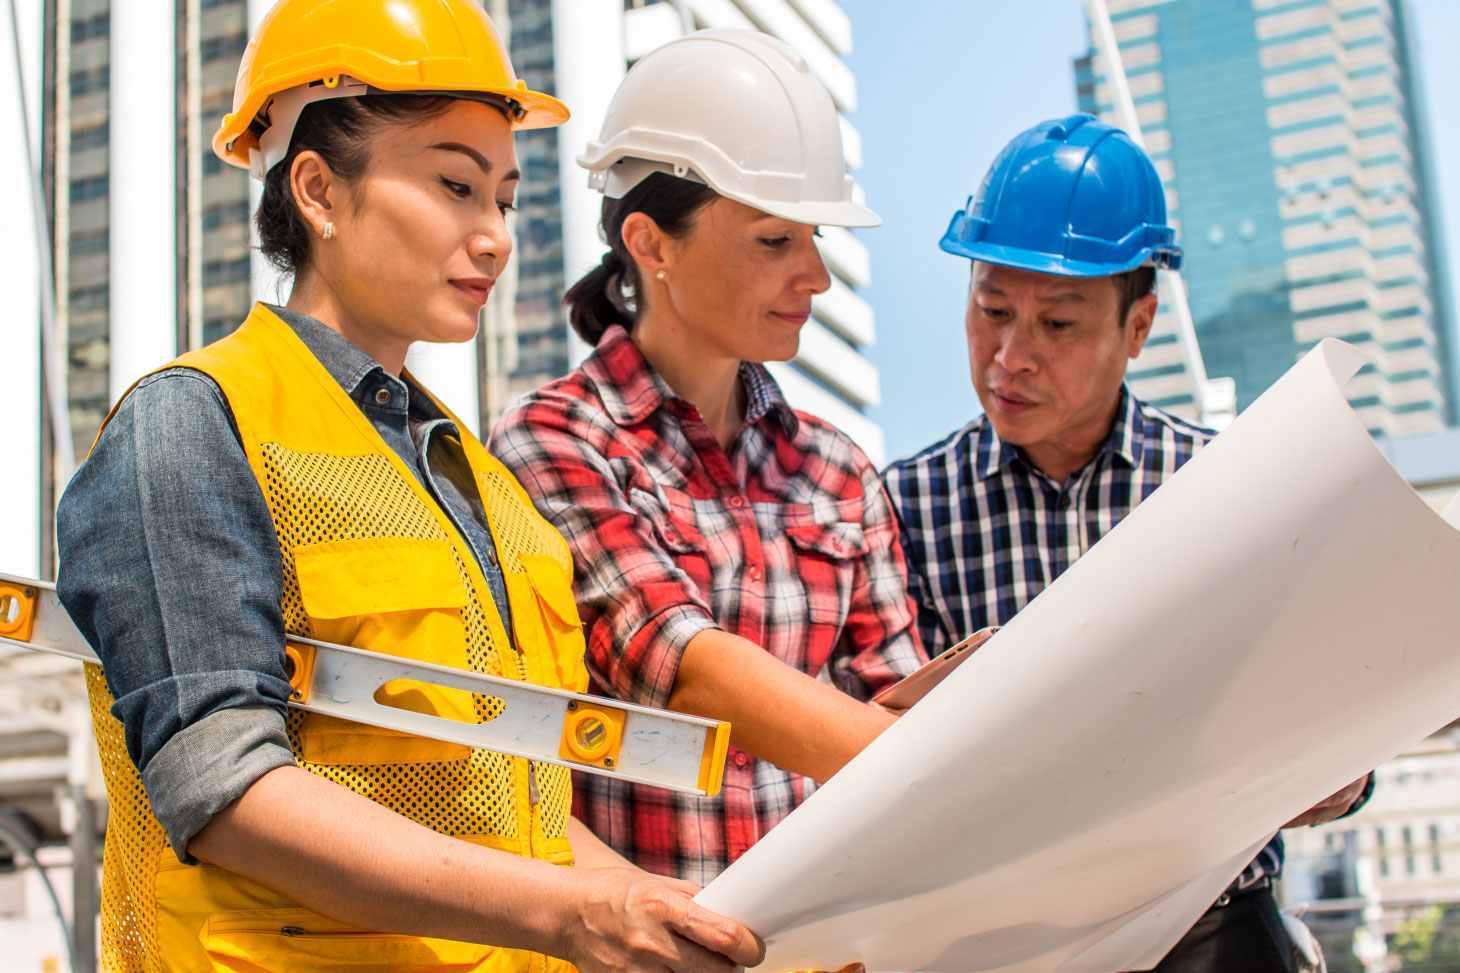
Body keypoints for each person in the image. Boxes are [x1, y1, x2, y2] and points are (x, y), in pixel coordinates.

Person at [53, 3, 762, 971]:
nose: (495, 235)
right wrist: (570, 913)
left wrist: (654, 908)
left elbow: (517, 812)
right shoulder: (193, 424)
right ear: (317, 190)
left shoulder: (488, 493)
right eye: (455, 186)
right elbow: (223, 787)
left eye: (504, 200)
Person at [882, 113, 1373, 973]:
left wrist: (1338, 778)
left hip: (1215, 930)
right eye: (990, 309)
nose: (1010, 356)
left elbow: (1339, 716)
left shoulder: (1236, 483)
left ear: (1138, 327)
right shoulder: (909, 503)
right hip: (1001, 936)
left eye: (1058, 325)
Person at [490, 29, 926, 885]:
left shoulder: (837, 473)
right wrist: (952, 771)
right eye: (774, 242)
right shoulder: (552, 441)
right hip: (638, 936)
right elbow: (679, 666)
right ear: (651, 243)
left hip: (825, 939)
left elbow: (894, 691)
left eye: (815, 240)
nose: (815, 277)